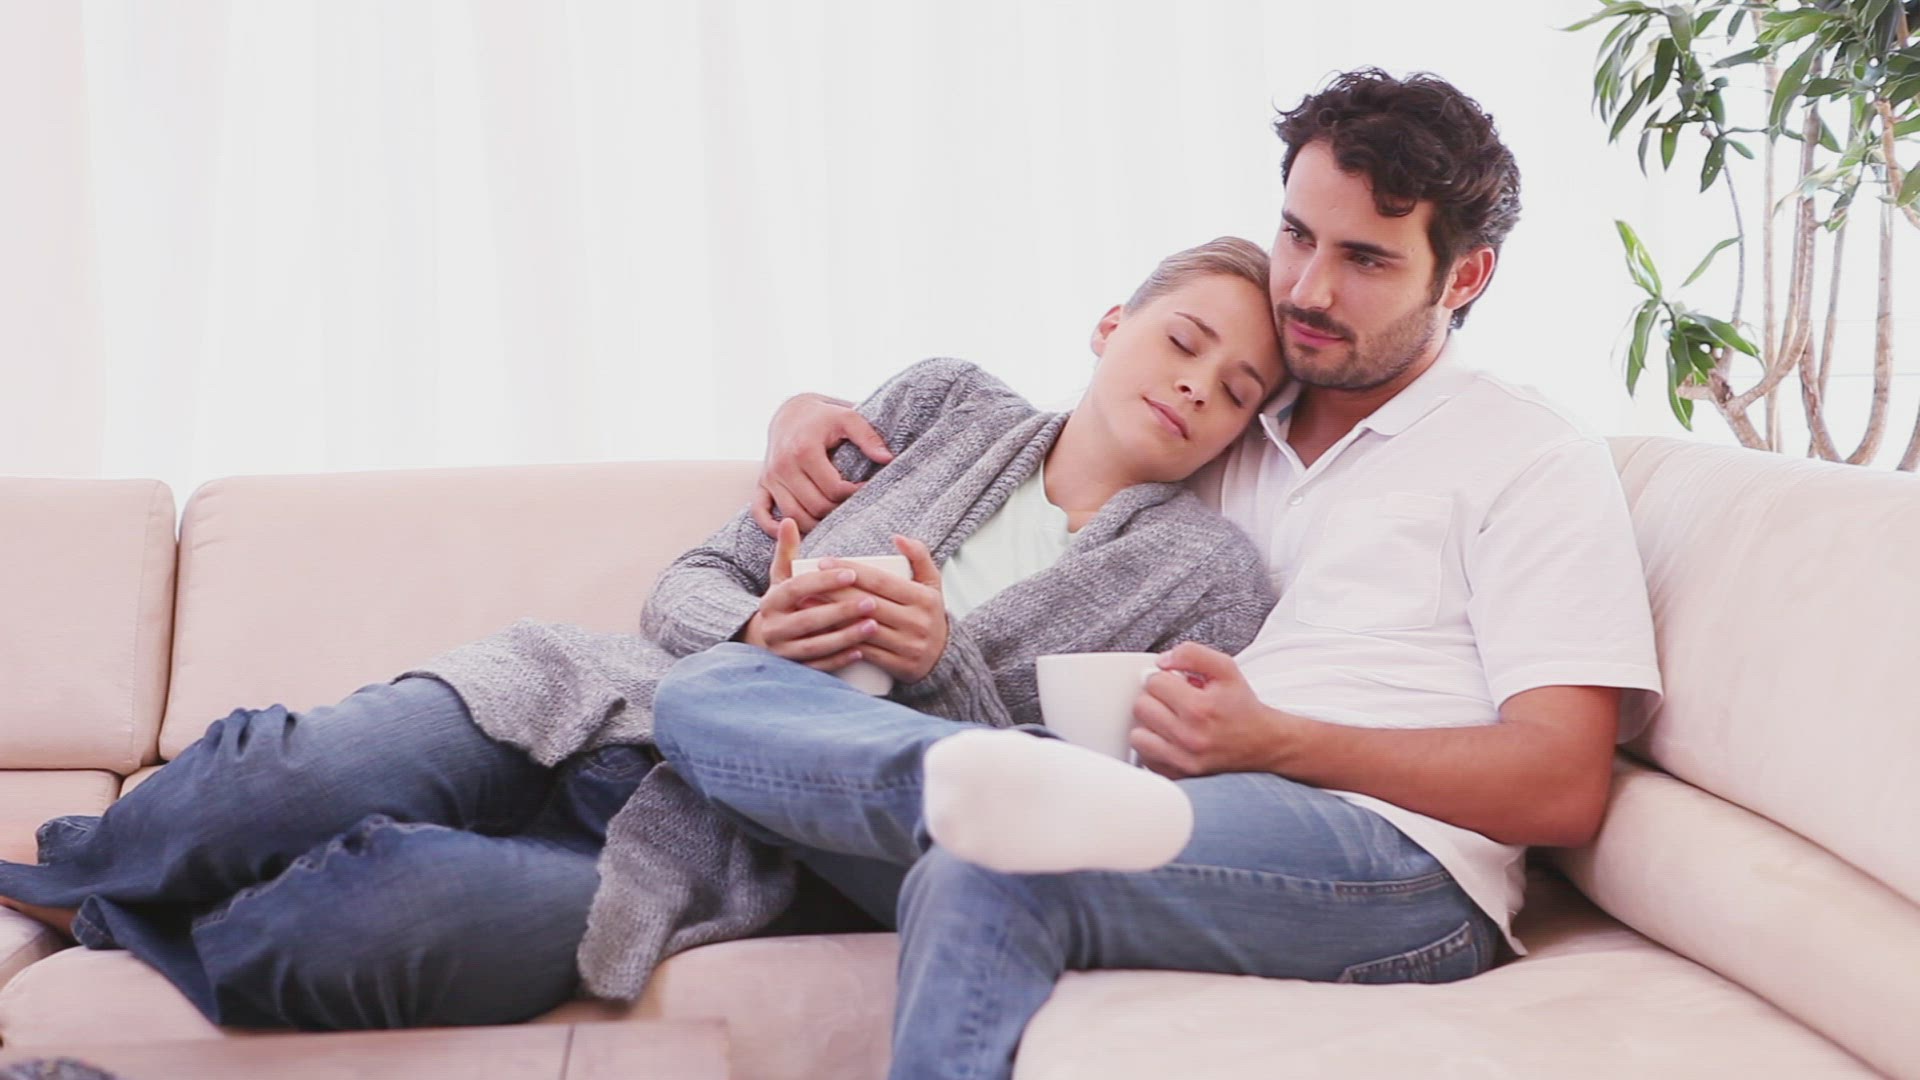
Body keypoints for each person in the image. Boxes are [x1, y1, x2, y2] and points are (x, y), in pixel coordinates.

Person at [0, 238, 1287, 1031]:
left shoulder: (1208, 574)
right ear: (1110, 326)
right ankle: (83, 875)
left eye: (1239, 391)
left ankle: (141, 917)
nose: (1196, 385)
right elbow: (694, 580)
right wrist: (756, 621)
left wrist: (932, 659)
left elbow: (1069, 804)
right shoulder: (944, 402)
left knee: (374, 920)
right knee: (287, 778)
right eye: (1183, 341)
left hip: (726, 846)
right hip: (591, 699)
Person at [670, 68, 1663, 1079]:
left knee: (999, 864)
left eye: (1365, 258)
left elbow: (1564, 784)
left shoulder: (1529, 453)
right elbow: (1059, 428)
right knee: (711, 690)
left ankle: (983, 787)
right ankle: (963, 780)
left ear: (1465, 277)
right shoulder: (1231, 421)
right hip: (1159, 806)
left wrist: (1280, 741)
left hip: (1396, 861)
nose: (1309, 290)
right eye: (1297, 235)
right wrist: (804, 413)